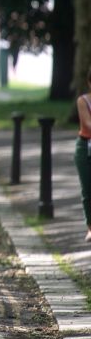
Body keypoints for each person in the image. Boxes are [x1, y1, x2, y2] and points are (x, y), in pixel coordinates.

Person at [75, 66, 91, 242]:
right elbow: (87, 124)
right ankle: (90, 226)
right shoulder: (83, 101)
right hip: (86, 147)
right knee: (88, 188)